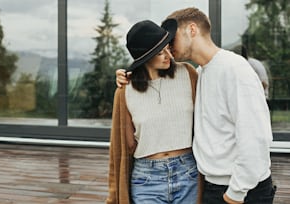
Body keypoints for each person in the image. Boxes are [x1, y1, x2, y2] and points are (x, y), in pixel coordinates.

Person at [116, 7, 276, 204]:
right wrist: (130, 75)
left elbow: (256, 136)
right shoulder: (201, 73)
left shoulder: (235, 70)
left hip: (240, 190)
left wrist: (236, 192)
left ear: (192, 30)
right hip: (212, 186)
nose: (168, 45)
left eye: (172, 37)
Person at [106, 20, 199, 204]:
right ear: (145, 57)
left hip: (187, 172)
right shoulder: (126, 90)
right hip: (147, 178)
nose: (168, 55)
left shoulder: (188, 74)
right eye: (159, 52)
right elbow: (123, 145)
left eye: (166, 47)